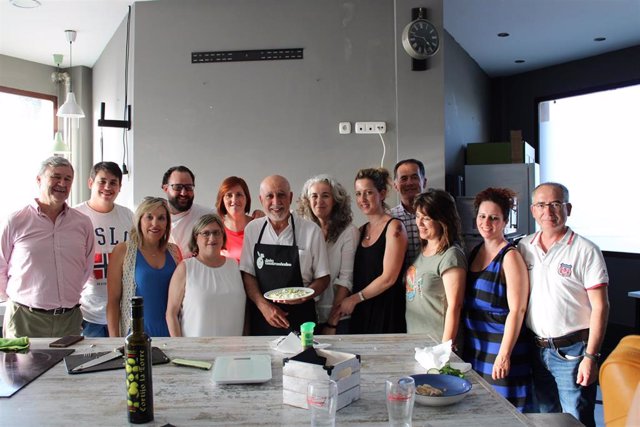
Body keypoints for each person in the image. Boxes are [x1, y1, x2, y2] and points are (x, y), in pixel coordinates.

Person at [518, 182, 609, 426]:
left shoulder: (586, 250)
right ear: (533, 210)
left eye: (555, 204)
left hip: (573, 353)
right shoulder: (524, 247)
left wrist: (591, 356)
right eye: (541, 205)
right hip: (536, 350)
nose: (548, 211)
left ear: (568, 208)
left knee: (575, 419)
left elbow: (601, 307)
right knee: (544, 417)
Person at [0, 156, 94, 338]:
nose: (62, 183)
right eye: (56, 176)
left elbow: (85, 268)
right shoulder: (16, 221)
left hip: (69, 320)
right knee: (22, 367)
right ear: (39, 179)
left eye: (68, 179)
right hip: (25, 319)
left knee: (68, 367)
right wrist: (21, 300)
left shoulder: (83, 223)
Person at [463, 187, 531, 412]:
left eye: (494, 218)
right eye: (482, 216)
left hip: (501, 349)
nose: (486, 222)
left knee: (505, 414)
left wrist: (504, 355)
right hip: (476, 348)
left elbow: (518, 310)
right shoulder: (475, 252)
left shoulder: (510, 257)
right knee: (480, 411)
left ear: (504, 222)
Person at [239, 175, 330, 336]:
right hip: (263, 318)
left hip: (302, 319)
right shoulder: (252, 229)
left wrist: (304, 296)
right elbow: (248, 274)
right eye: (269, 196)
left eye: (281, 195)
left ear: (290, 197)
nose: (276, 202)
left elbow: (323, 278)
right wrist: (263, 306)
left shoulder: (311, 231)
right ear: (261, 199)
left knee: (303, 360)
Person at [335, 168, 407, 334]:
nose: (363, 199)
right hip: (361, 310)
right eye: (358, 194)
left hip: (386, 310)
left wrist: (355, 298)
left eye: (368, 193)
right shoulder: (359, 231)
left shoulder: (394, 227)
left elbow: (389, 278)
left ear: (382, 194)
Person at [107, 197, 182, 337]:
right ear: (139, 220)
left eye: (161, 218)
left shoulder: (174, 252)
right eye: (149, 217)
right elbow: (113, 301)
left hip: (171, 333)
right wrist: (114, 340)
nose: (155, 223)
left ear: (167, 223)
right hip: (135, 336)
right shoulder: (123, 251)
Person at [75, 162, 133, 337]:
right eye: (102, 181)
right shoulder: (75, 216)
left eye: (113, 182)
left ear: (120, 187)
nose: (107, 187)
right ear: (91, 183)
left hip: (123, 311)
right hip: (88, 312)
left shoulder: (128, 216)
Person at [297, 174, 359, 334]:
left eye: (325, 196)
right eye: (314, 196)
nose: (319, 201)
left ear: (336, 200)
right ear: (307, 201)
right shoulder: (303, 231)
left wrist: (332, 323)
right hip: (308, 316)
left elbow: (346, 280)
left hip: (337, 319)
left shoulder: (348, 232)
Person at [166, 214, 245, 337]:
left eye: (217, 232)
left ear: (223, 236)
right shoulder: (186, 268)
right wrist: (179, 347)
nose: (212, 237)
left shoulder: (235, 266)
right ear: (195, 237)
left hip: (233, 350)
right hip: (195, 351)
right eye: (206, 233)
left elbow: (245, 312)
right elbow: (171, 313)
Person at [404, 189, 466, 345]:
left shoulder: (451, 255)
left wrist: (445, 348)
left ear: (442, 220)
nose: (419, 223)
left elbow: (455, 306)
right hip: (416, 341)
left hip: (437, 344)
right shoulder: (422, 251)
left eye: (426, 218)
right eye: (417, 216)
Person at [161, 166, 214, 258]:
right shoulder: (154, 219)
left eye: (189, 187)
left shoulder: (208, 216)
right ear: (166, 189)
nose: (183, 193)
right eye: (177, 187)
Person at [390, 159, 427, 271]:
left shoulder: (438, 215)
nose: (409, 183)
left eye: (414, 177)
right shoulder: (389, 218)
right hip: (399, 285)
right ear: (395, 185)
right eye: (404, 178)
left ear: (424, 182)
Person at [216, 176, 256, 263]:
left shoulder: (257, 226)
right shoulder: (216, 229)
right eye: (229, 195)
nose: (234, 200)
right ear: (222, 200)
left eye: (239, 195)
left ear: (246, 198)